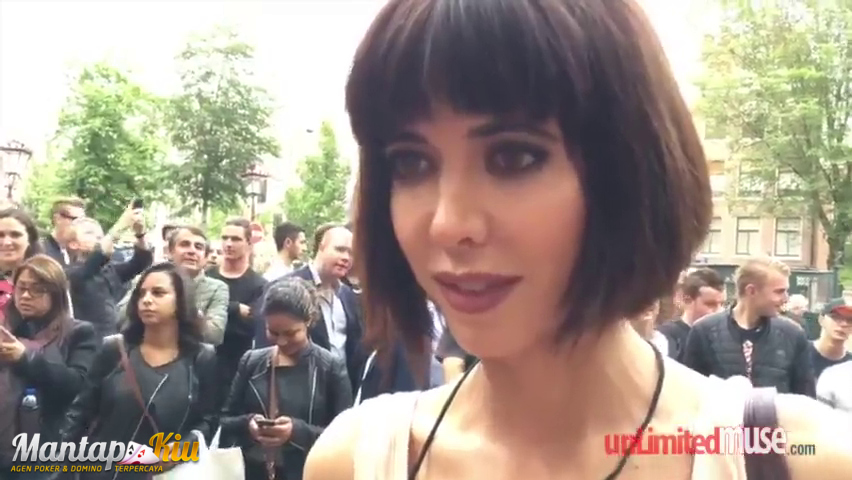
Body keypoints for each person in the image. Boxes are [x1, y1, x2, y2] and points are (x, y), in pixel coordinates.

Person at [304, 1, 851, 479]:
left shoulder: (795, 456)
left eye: (513, 157)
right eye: (411, 163)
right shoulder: (356, 460)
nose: (447, 224)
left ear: (629, 169)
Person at [55, 263, 218, 479]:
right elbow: (81, 413)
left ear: (181, 300)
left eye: (158, 293)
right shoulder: (114, 349)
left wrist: (183, 447)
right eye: (141, 293)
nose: (147, 300)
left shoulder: (201, 357)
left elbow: (208, 420)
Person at [221, 277, 351, 480]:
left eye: (291, 333)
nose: (281, 341)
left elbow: (345, 435)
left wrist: (296, 432)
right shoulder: (252, 361)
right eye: (273, 332)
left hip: (307, 472)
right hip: (254, 471)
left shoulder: (330, 367)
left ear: (308, 321)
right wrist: (249, 424)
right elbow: (225, 419)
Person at [0, 255, 98, 477]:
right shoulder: (5, 328)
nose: (26, 296)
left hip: (42, 450)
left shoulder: (79, 332)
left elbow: (78, 385)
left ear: (56, 293)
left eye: (37, 290)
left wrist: (26, 358)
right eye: (21, 288)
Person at [682, 258, 815, 396]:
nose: (786, 298)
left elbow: (806, 399)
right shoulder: (704, 332)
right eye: (779, 292)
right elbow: (690, 395)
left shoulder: (793, 335)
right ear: (751, 291)